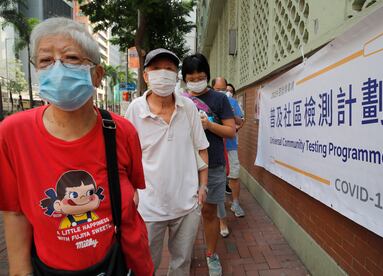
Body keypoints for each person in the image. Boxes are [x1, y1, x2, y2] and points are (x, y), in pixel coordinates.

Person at [0, 17, 153, 275]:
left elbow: (133, 197)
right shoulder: (12, 133)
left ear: (97, 74)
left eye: (71, 58)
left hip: (115, 264)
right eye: (46, 61)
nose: (57, 69)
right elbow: (15, 214)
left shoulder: (120, 131)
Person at [125, 48, 209, 276]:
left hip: (187, 204)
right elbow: (124, 157)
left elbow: (201, 147)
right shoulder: (135, 110)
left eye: (169, 69)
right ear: (145, 75)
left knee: (182, 263)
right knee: (145, 265)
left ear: (176, 76)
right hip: (148, 206)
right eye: (156, 69)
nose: (163, 74)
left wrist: (203, 186)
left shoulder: (188, 107)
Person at [181, 54, 236, 276]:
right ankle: (183, 255)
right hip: (184, 166)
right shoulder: (178, 100)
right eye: (191, 78)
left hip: (213, 164)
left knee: (210, 212)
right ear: (185, 79)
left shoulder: (219, 99)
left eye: (201, 77)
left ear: (208, 76)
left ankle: (211, 255)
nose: (196, 81)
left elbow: (231, 130)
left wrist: (209, 125)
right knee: (184, 215)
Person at [211, 78, 245, 238]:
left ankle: (236, 203)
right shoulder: (206, 102)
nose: (222, 92)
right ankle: (221, 219)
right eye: (218, 89)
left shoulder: (231, 101)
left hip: (230, 146)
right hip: (213, 148)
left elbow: (240, 121)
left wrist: (233, 120)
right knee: (216, 183)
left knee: (234, 176)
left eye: (224, 89)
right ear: (212, 88)